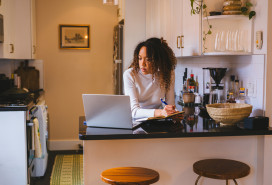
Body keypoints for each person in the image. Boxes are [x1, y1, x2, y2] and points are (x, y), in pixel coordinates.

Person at [123, 37, 178, 119]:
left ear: (159, 60)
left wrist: (174, 113)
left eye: (148, 59)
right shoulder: (130, 74)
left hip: (156, 120)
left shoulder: (168, 73)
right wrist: (161, 112)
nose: (142, 64)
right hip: (135, 122)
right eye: (140, 58)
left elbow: (170, 104)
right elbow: (133, 111)